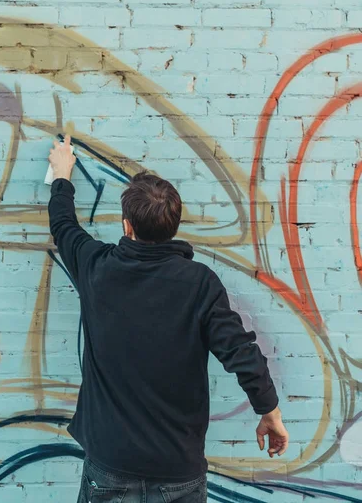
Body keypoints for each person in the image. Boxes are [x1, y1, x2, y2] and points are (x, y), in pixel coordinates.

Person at [48, 135, 289, 503]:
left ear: (127, 226)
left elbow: (63, 226)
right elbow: (241, 352)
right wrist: (269, 411)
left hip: (110, 465)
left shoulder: (97, 267)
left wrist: (63, 174)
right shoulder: (199, 284)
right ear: (173, 226)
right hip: (178, 473)